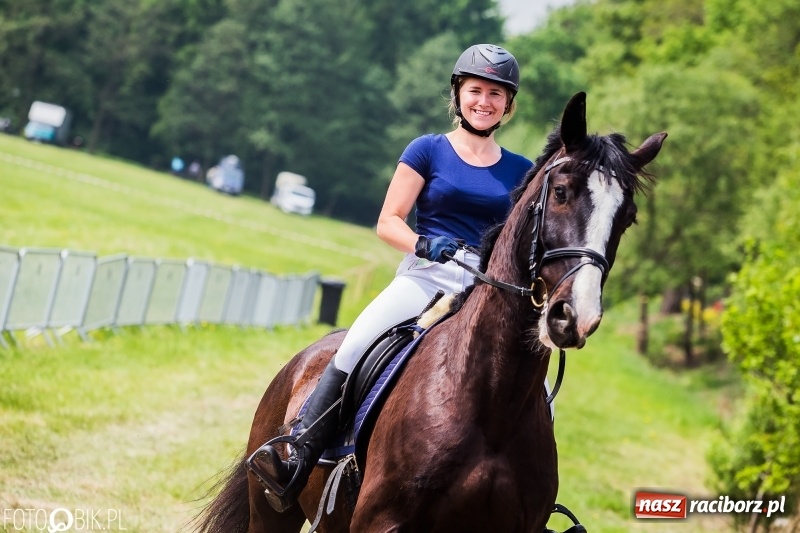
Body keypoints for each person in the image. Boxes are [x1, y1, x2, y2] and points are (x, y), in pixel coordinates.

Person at [258, 43, 535, 508]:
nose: (484, 101)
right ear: (458, 94)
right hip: (426, 278)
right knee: (358, 340)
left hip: (486, 291)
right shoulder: (427, 150)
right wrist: (424, 244)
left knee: (535, 386)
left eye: (495, 93)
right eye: (475, 90)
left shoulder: (521, 171)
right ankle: (299, 450)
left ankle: (528, 492)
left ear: (509, 104)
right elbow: (389, 220)